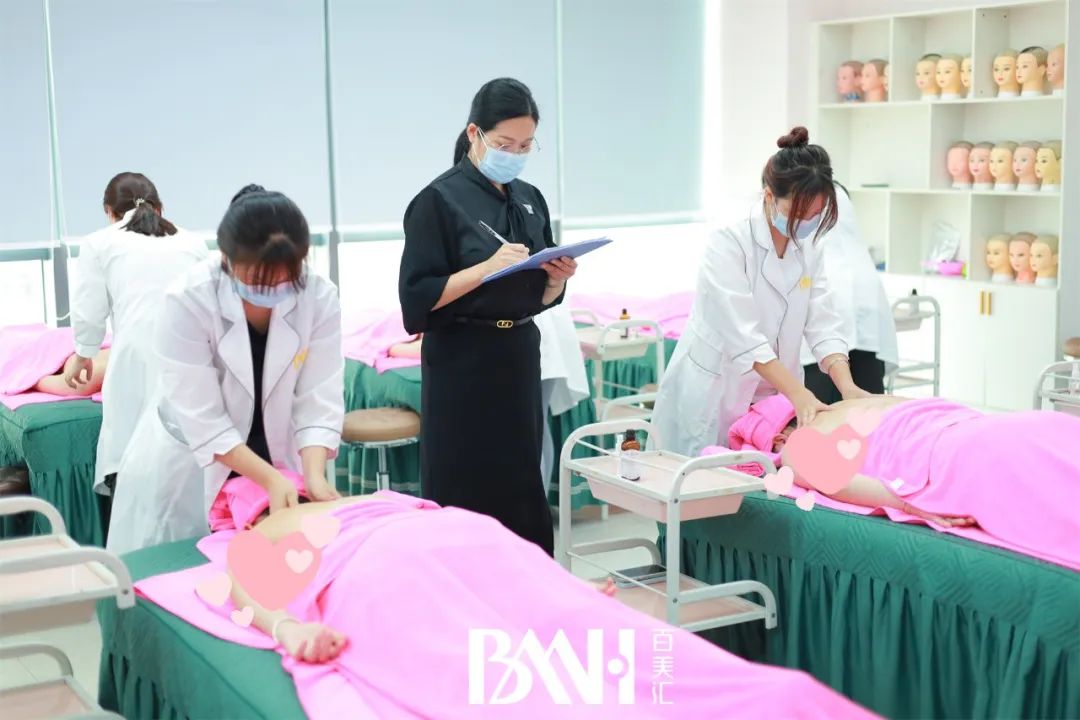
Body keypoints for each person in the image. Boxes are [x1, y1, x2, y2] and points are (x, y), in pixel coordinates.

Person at [133, 473, 876, 718]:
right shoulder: (375, 499)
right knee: (603, 642)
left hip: (408, 560)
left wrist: (289, 631)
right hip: (453, 541)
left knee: (502, 672)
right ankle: (774, 701)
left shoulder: (267, 533)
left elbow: (247, 590)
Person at [106, 185, 344, 555]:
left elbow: (318, 398)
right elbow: (205, 420)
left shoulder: (319, 296)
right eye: (259, 278)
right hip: (191, 465)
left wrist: (313, 476)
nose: (273, 289)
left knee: (280, 565)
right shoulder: (187, 300)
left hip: (276, 456)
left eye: (284, 277)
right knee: (188, 572)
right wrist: (269, 479)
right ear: (226, 259)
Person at [398, 78, 576, 556]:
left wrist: (556, 280)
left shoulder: (530, 197)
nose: (514, 154)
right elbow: (416, 302)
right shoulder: (438, 201)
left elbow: (537, 295)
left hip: (518, 354)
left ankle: (529, 583)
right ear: (474, 133)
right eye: (504, 144)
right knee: (463, 485)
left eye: (525, 145)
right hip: (461, 362)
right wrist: (482, 270)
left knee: (521, 482)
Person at [652, 127, 873, 458]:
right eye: (801, 213)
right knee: (709, 476)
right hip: (720, 392)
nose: (809, 223)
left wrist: (848, 387)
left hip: (776, 396)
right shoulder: (728, 240)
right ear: (770, 196)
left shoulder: (809, 246)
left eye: (817, 214)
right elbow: (745, 338)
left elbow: (823, 322)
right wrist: (798, 394)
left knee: (766, 474)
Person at [738, 393, 1080, 570]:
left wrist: (908, 504)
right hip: (1001, 424)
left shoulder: (798, 444)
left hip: (951, 453)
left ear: (778, 438)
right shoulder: (858, 403)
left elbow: (836, 482)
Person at [65, 172, 210, 495]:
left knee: (132, 464)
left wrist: (83, 354)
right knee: (192, 468)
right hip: (195, 361)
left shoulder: (99, 242)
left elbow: (89, 312)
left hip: (136, 359)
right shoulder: (193, 242)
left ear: (109, 211)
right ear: (161, 207)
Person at [800, 183, 898, 402]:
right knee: (867, 408)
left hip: (825, 348)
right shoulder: (855, 253)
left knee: (826, 411)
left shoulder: (811, 253)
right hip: (866, 322)